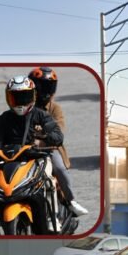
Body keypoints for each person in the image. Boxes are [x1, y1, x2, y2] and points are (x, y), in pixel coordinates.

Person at [0, 75, 64, 234]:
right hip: (10, 162)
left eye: (25, 97)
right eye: (16, 97)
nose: (20, 102)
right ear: (8, 98)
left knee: (49, 181)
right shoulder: (4, 118)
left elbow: (57, 135)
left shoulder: (41, 115)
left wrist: (45, 136)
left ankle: (53, 219)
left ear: (33, 96)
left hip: (37, 159)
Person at [28, 67, 89, 217]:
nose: (45, 91)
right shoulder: (25, 107)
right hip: (27, 149)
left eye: (48, 86)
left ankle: (71, 201)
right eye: (41, 86)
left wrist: (44, 134)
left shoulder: (55, 108)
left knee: (60, 169)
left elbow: (58, 130)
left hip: (50, 148)